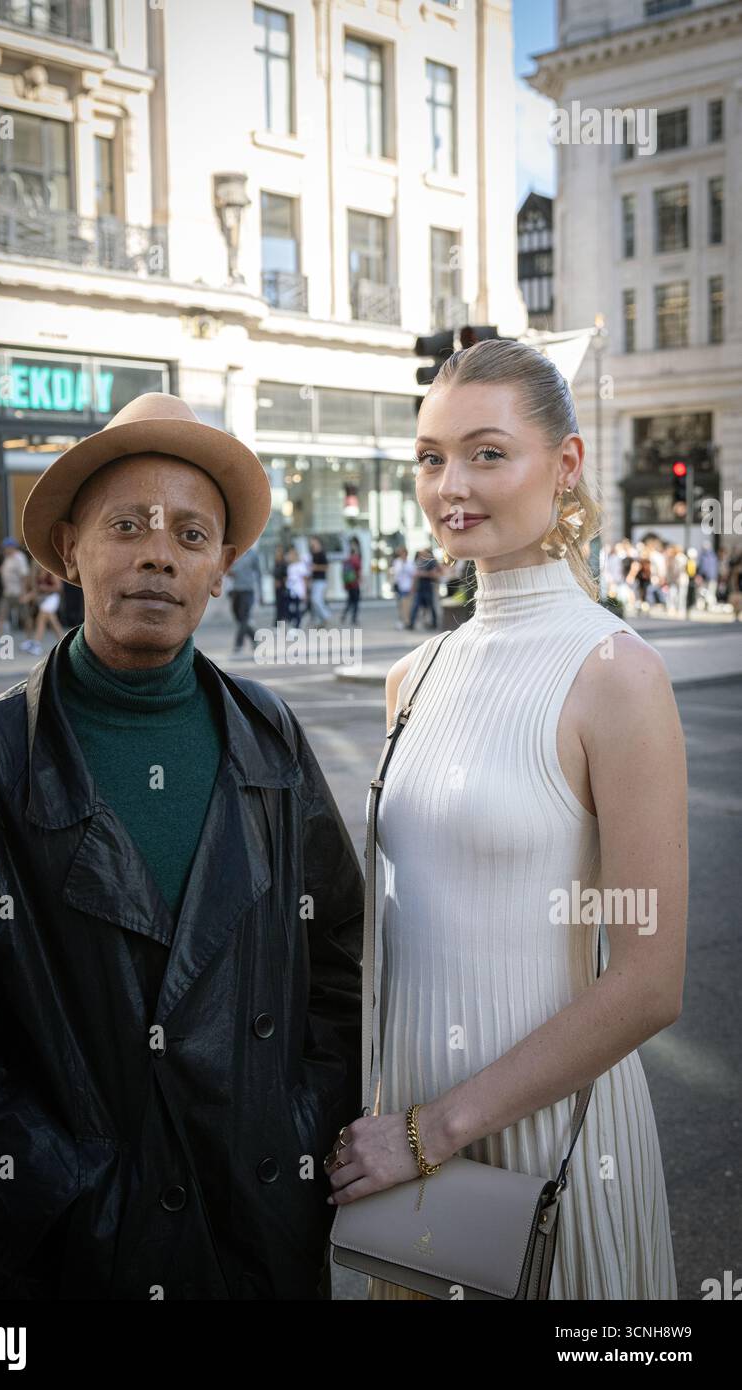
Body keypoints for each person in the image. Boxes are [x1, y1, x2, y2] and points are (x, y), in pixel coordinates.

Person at [0, 391, 363, 1301]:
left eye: (189, 534)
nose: (156, 553)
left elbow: (338, 966)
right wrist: (59, 1204)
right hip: (75, 1264)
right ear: (71, 551)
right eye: (127, 525)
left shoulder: (271, 736)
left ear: (220, 568)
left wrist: (292, 1136)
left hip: (258, 1240)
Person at [324, 338, 685, 1300]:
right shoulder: (415, 675)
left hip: (548, 1142)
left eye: (487, 452)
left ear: (564, 465)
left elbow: (649, 984)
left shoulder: (617, 675)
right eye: (430, 456)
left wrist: (430, 1134)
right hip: (404, 1137)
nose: (451, 484)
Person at [19, 562, 65, 656]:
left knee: (41, 618)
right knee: (53, 622)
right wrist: (28, 597)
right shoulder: (37, 574)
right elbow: (36, 591)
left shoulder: (50, 573)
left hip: (52, 598)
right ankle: (64, 643)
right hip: (43, 599)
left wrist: (46, 588)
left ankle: (37, 644)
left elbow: (59, 588)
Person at [226, 542, 262, 656]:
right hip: (236, 591)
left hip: (248, 591)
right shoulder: (237, 555)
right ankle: (254, 637)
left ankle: (238, 645)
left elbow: (259, 573)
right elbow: (229, 570)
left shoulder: (253, 555)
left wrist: (261, 594)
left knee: (244, 618)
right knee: (238, 618)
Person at [406, 546, 442, 630]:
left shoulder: (432, 562)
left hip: (428, 585)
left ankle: (434, 623)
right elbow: (415, 575)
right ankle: (411, 623)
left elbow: (434, 574)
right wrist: (413, 586)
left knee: (431, 605)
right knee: (416, 605)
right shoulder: (420, 561)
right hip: (420, 586)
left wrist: (422, 574)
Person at [308, 536, 331, 627]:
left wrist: (316, 567)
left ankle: (326, 616)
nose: (312, 544)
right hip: (314, 580)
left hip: (321, 580)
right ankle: (320, 621)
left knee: (316, 599)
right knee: (314, 601)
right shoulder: (312, 554)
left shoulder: (322, 553)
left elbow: (326, 567)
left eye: (313, 542)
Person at [389, 546, 415, 630]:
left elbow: (413, 575)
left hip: (408, 586)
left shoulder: (410, 562)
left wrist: (413, 586)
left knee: (407, 605)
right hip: (399, 586)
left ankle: (407, 621)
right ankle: (404, 621)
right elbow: (395, 574)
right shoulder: (397, 562)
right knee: (401, 605)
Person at [340, 537, 362, 625]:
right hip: (354, 583)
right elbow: (359, 570)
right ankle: (354, 618)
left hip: (348, 583)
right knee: (355, 601)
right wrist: (360, 578)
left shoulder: (347, 560)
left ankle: (344, 615)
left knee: (350, 600)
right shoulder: (356, 559)